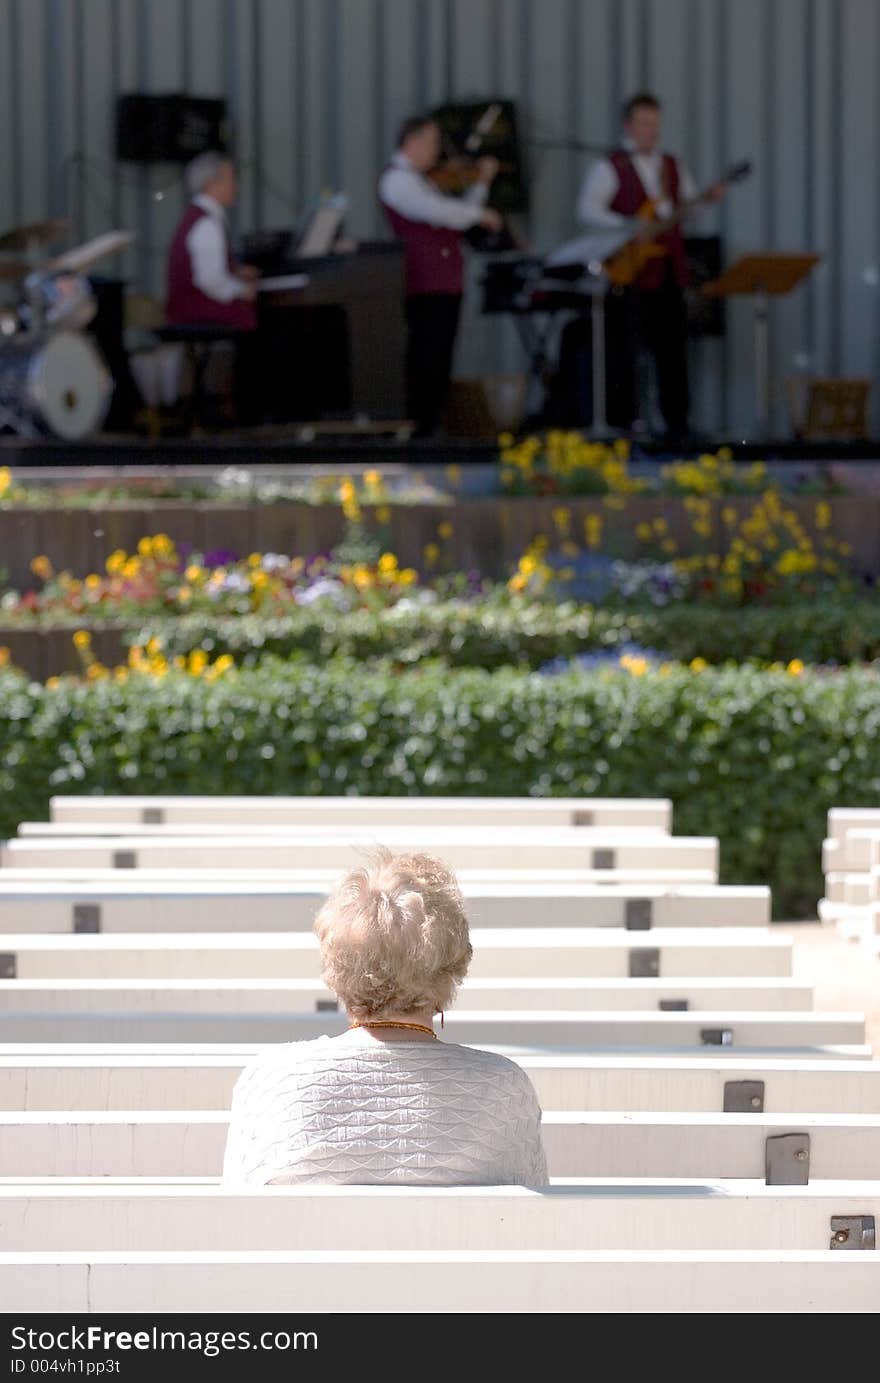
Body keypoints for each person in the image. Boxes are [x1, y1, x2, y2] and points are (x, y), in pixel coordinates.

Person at [222, 849, 548, 1186]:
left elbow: (234, 1223)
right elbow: (532, 1228)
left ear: (336, 967)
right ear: (454, 964)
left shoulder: (271, 1080)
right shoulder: (504, 1087)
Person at [562, 92, 723, 441]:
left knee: (673, 350)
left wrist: (705, 201)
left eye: (656, 124)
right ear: (629, 125)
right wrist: (629, 226)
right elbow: (587, 210)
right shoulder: (611, 165)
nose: (652, 131)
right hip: (631, 271)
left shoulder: (672, 166)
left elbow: (688, 210)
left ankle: (676, 423)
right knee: (625, 349)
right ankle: (625, 421)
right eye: (645, 123)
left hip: (668, 271)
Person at [379, 115, 504, 437]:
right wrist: (478, 213)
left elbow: (456, 215)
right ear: (412, 141)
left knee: (442, 355)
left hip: (446, 281)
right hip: (423, 282)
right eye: (433, 143)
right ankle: (420, 426)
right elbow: (437, 212)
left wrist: (481, 186)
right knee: (427, 354)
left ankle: (433, 424)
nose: (437, 152)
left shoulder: (425, 180)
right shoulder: (397, 181)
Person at [166, 151, 262, 422]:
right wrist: (243, 290)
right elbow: (209, 279)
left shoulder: (202, 218)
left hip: (187, 304)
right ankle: (246, 407)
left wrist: (237, 272)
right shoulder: (206, 222)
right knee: (256, 317)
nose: (235, 186)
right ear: (212, 183)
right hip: (192, 307)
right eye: (230, 179)